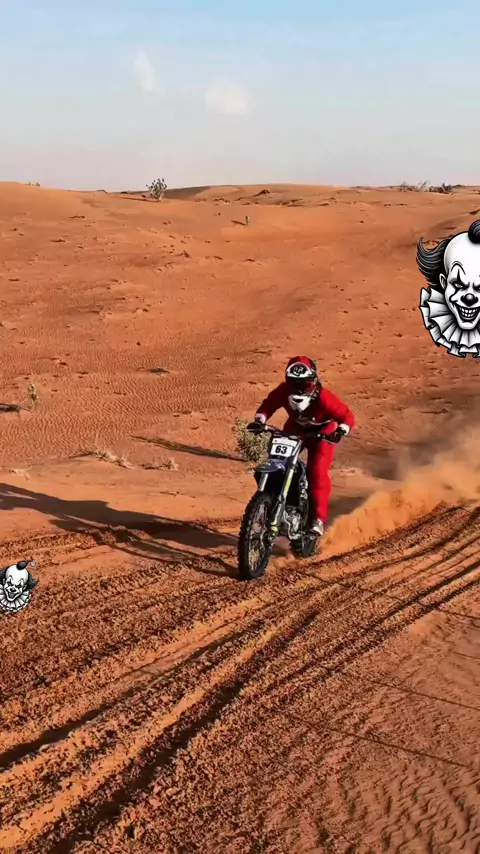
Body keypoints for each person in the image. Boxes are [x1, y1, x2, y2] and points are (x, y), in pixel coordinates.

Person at [248, 356, 355, 536]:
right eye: (294, 382)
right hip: (295, 429)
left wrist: (340, 431)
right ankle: (272, 501)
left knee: (317, 472)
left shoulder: (324, 397)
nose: (298, 388)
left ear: (312, 380)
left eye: (303, 383)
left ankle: (317, 519)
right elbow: (268, 405)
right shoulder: (283, 391)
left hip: (322, 434)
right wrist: (260, 420)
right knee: (277, 461)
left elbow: (347, 416)